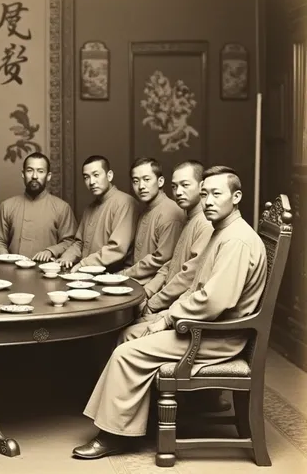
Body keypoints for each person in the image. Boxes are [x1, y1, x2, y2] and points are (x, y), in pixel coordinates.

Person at [73, 165, 267, 460]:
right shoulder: (222, 231)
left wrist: (166, 318)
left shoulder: (236, 239)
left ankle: (114, 436)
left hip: (218, 336)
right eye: (205, 194)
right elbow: (198, 289)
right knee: (131, 333)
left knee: (127, 354)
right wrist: (161, 317)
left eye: (217, 194)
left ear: (236, 196)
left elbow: (212, 301)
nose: (209, 201)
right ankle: (133, 422)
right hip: (203, 326)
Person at [121, 160, 213, 339]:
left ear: (202, 186)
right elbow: (171, 264)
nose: (178, 192)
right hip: (167, 302)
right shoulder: (190, 217)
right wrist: (148, 292)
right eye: (175, 186)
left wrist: (152, 304)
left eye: (185, 185)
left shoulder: (204, 222)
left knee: (125, 332)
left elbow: (188, 277)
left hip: (180, 312)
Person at [0, 152, 77, 262]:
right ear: (23, 174)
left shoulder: (62, 208)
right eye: (30, 170)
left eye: (40, 171)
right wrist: (6, 256)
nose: (34, 176)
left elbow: (70, 242)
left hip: (47, 273)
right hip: (12, 271)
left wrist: (50, 251)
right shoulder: (7, 206)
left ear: (48, 176)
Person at [58, 155, 137, 272]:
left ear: (109, 175)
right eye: (86, 177)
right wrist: (67, 256)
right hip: (87, 275)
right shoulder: (89, 208)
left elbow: (117, 249)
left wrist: (83, 264)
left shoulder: (125, 202)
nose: (91, 182)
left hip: (113, 278)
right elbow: (80, 243)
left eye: (96, 175)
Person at [119, 158, 186, 285]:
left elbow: (161, 260)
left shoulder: (170, 212)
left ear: (160, 181)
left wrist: (123, 274)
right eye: (135, 181)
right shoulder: (146, 209)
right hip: (136, 283)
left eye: (147, 179)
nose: (141, 186)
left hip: (155, 287)